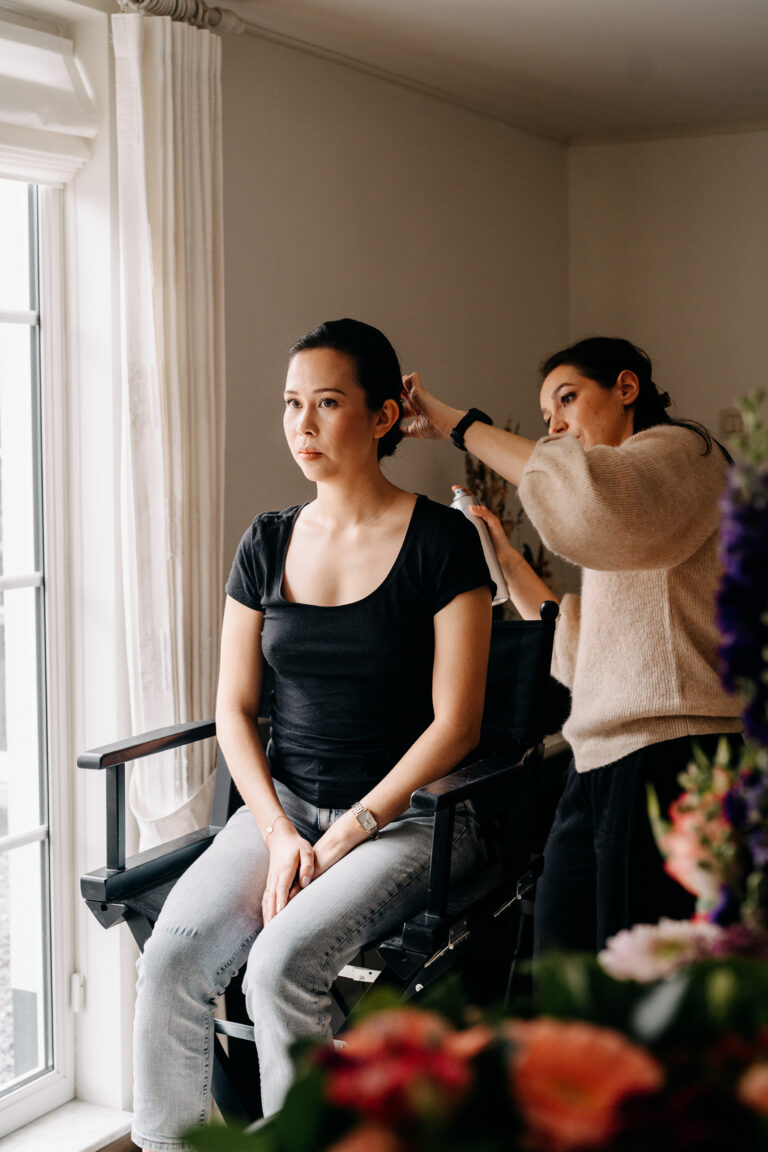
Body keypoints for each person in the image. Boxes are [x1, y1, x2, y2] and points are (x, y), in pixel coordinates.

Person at [130, 319, 493, 1151]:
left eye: (327, 403)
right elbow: (233, 707)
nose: (302, 424)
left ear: (381, 418)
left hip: (413, 819)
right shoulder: (265, 541)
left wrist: (344, 836)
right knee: (172, 965)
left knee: (281, 966)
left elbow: (458, 725)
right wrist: (279, 831)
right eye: (292, 404)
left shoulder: (442, 543)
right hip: (286, 809)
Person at [401, 336, 742, 954]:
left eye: (567, 399)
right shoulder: (637, 513)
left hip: (674, 755)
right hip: (605, 761)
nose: (555, 424)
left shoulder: (683, 453)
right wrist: (505, 556)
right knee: (562, 957)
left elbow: (588, 502)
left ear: (626, 388)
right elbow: (584, 645)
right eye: (545, 415)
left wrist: (455, 423)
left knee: (638, 985)